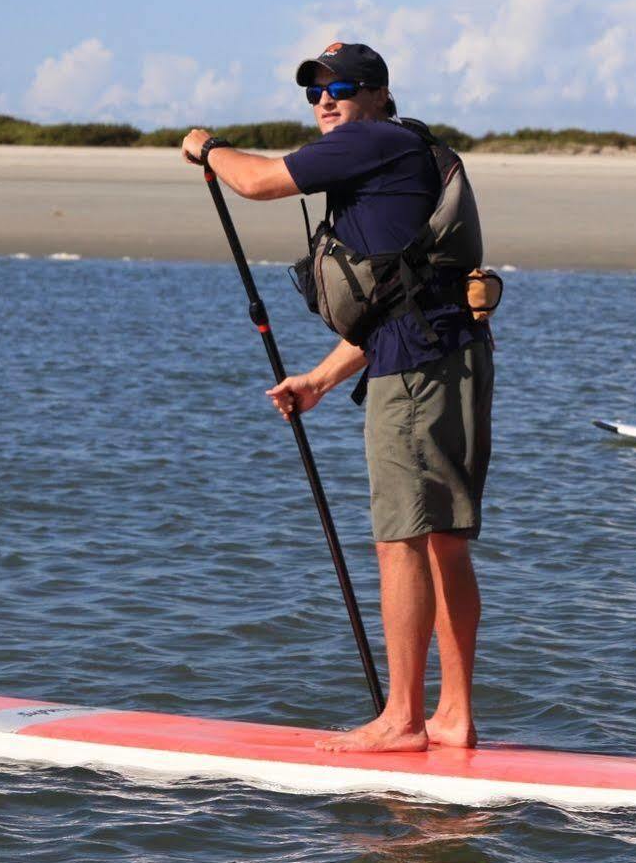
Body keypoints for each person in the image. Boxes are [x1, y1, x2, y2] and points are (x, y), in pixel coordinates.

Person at [181, 42, 492, 753]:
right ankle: (452, 717)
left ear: (380, 95)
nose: (327, 100)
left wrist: (207, 148)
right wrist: (320, 379)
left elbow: (257, 182)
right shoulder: (401, 152)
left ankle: (402, 720)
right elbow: (404, 296)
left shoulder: (371, 141)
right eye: (315, 91)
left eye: (343, 87)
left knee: (400, 542)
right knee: (441, 541)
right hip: (443, 355)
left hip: (417, 372)